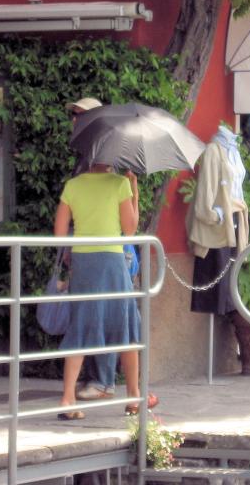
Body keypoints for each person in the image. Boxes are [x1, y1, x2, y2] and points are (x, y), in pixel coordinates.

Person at [53, 162, 157, 419]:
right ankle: (134, 397)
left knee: (80, 326)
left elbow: (59, 233)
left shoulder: (73, 185)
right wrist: (134, 191)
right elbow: (130, 229)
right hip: (112, 262)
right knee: (126, 328)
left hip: (83, 263)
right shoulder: (120, 184)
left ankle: (67, 399)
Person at [64, 97, 120, 402]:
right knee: (90, 315)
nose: (74, 119)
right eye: (74, 115)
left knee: (101, 315)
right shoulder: (86, 155)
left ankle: (103, 380)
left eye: (80, 115)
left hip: (103, 251)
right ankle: (95, 379)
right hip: (87, 249)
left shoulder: (105, 156)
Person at [186, 124, 249, 314]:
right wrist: (216, 215)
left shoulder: (234, 150)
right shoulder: (213, 151)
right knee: (216, 284)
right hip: (220, 223)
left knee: (230, 283)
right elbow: (205, 191)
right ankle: (213, 326)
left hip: (235, 218)